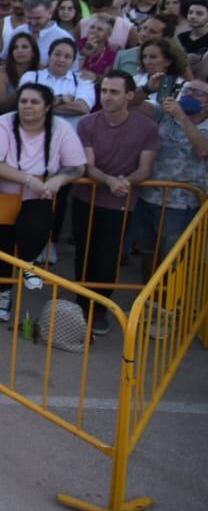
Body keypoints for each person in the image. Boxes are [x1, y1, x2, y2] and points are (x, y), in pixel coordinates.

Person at [0, 84, 88, 324]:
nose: (27, 106)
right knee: (0, 247)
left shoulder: (60, 127)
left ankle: (27, 262)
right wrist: (30, 180)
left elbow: (77, 166)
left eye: (34, 102)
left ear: (47, 106)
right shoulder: (2, 123)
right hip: (2, 193)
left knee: (36, 229)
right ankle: (3, 294)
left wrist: (59, 180)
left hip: (40, 196)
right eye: (23, 101)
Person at [75, 72, 158, 335]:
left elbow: (145, 169)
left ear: (129, 95)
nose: (107, 97)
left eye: (114, 92)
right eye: (105, 91)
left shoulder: (147, 127)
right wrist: (109, 180)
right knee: (84, 254)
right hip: (85, 198)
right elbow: (88, 166)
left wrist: (124, 182)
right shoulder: (87, 123)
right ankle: (81, 306)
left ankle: (99, 309)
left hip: (121, 203)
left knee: (109, 257)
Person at [137, 77, 208, 270]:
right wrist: (146, 88)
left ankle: (169, 299)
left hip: (181, 204)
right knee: (147, 251)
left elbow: (203, 150)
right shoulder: (164, 114)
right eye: (187, 90)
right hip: (149, 196)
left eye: (197, 93)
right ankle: (149, 297)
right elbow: (131, 103)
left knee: (173, 259)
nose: (189, 95)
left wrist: (182, 117)